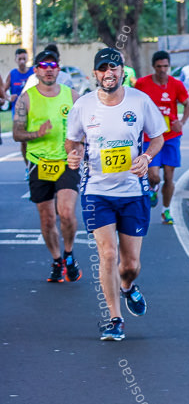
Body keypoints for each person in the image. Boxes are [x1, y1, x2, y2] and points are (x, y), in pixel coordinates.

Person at [66, 48, 165, 342]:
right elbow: (73, 143)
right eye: (103, 68)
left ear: (122, 71)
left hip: (133, 191)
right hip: (97, 191)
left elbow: (158, 136)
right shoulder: (83, 106)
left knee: (130, 265)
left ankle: (127, 287)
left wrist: (146, 158)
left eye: (114, 67)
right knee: (108, 254)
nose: (109, 73)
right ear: (95, 74)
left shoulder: (140, 101)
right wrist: (73, 157)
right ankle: (114, 318)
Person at [12, 49, 82, 283]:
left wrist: (81, 146)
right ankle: (56, 260)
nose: (49, 69)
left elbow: (87, 127)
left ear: (58, 69)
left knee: (67, 213)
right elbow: (16, 133)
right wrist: (36, 133)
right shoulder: (26, 98)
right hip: (38, 163)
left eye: (53, 65)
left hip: (65, 162)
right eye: (44, 65)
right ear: (37, 70)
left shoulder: (72, 95)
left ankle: (69, 253)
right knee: (47, 219)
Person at [134, 50, 189, 225]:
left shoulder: (176, 84)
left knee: (168, 176)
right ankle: (152, 187)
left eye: (165, 66)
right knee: (153, 175)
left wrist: (181, 122)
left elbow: (188, 104)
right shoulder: (142, 84)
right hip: (149, 136)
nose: (162, 70)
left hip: (171, 136)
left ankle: (166, 211)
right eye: (159, 66)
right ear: (153, 66)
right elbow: (133, 105)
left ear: (169, 66)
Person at [2, 48, 34, 148]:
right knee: (23, 140)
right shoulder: (12, 74)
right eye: (19, 59)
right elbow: (2, 90)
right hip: (18, 112)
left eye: (24, 59)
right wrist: (8, 97)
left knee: (34, 138)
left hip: (33, 110)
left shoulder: (33, 72)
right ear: (15, 60)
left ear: (27, 59)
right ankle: (27, 161)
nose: (22, 61)